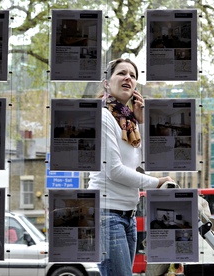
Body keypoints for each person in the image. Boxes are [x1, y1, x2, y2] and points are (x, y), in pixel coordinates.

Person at [87, 58, 173, 276]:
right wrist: (156, 183)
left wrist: (141, 122)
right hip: (107, 214)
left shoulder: (129, 121)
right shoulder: (102, 115)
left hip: (128, 214)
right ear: (106, 83)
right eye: (121, 73)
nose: (128, 78)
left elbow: (140, 166)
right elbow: (113, 170)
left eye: (133, 75)